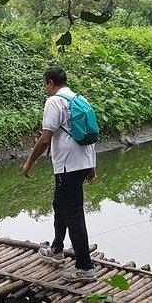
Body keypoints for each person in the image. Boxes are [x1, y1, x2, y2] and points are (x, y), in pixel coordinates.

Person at [22, 66, 97, 280]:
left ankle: (85, 268)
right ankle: (56, 249)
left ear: (50, 83)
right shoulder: (80, 99)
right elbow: (89, 136)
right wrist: (91, 165)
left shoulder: (54, 101)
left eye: (45, 84)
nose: (46, 88)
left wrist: (29, 162)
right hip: (81, 163)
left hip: (67, 166)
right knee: (60, 204)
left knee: (73, 214)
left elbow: (45, 138)